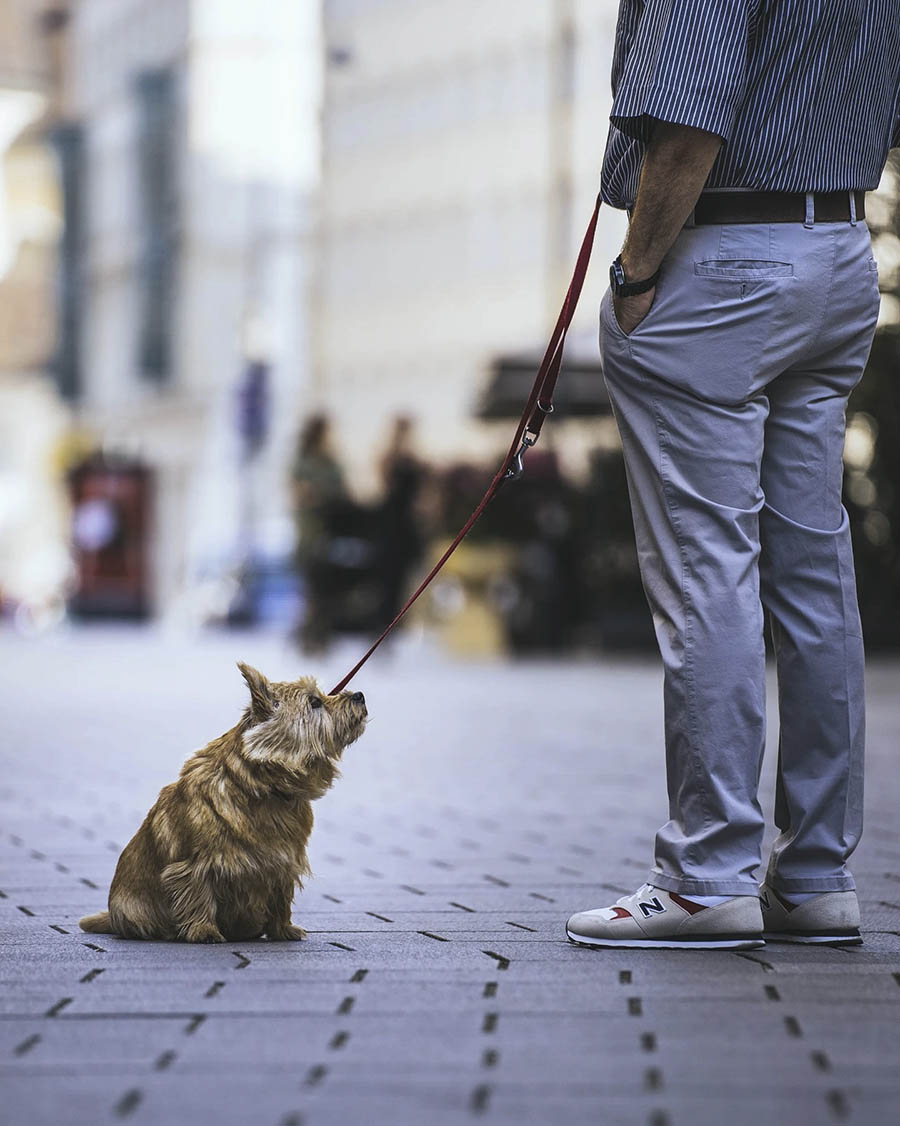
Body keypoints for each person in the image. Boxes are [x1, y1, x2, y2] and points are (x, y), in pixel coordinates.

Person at [566, 0, 900, 951]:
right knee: (813, 573)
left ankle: (708, 874)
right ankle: (817, 877)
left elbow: (689, 113)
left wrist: (636, 274)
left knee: (708, 570)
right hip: (839, 255)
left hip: (720, 260)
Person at [291, 414, 347, 652]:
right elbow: (300, 494)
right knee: (312, 588)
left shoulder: (331, 462)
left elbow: (343, 492)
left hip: (331, 530)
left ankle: (322, 635)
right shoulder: (304, 462)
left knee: (329, 588)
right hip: (310, 532)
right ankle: (309, 637)